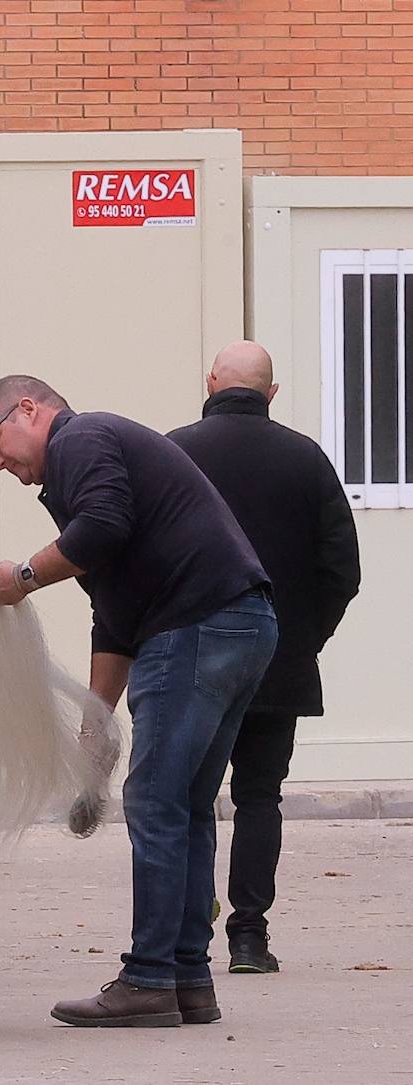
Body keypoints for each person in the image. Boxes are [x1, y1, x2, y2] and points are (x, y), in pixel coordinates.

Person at [0, 375, 277, 1028]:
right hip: (240, 623)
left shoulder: (82, 439)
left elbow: (104, 529)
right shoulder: (89, 465)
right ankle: (188, 978)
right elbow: (113, 615)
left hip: (195, 622)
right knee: (187, 804)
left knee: (155, 801)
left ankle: (146, 978)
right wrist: (94, 720)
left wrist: (20, 578)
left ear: (28, 410)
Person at [168, 341, 360, 974]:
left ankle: (180, 937)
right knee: (259, 798)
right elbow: (342, 570)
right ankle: (249, 937)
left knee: (187, 799)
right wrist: (304, 639)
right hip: (278, 659)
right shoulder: (307, 460)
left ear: (211, 381)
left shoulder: (177, 453)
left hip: (191, 658)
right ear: (271, 394)